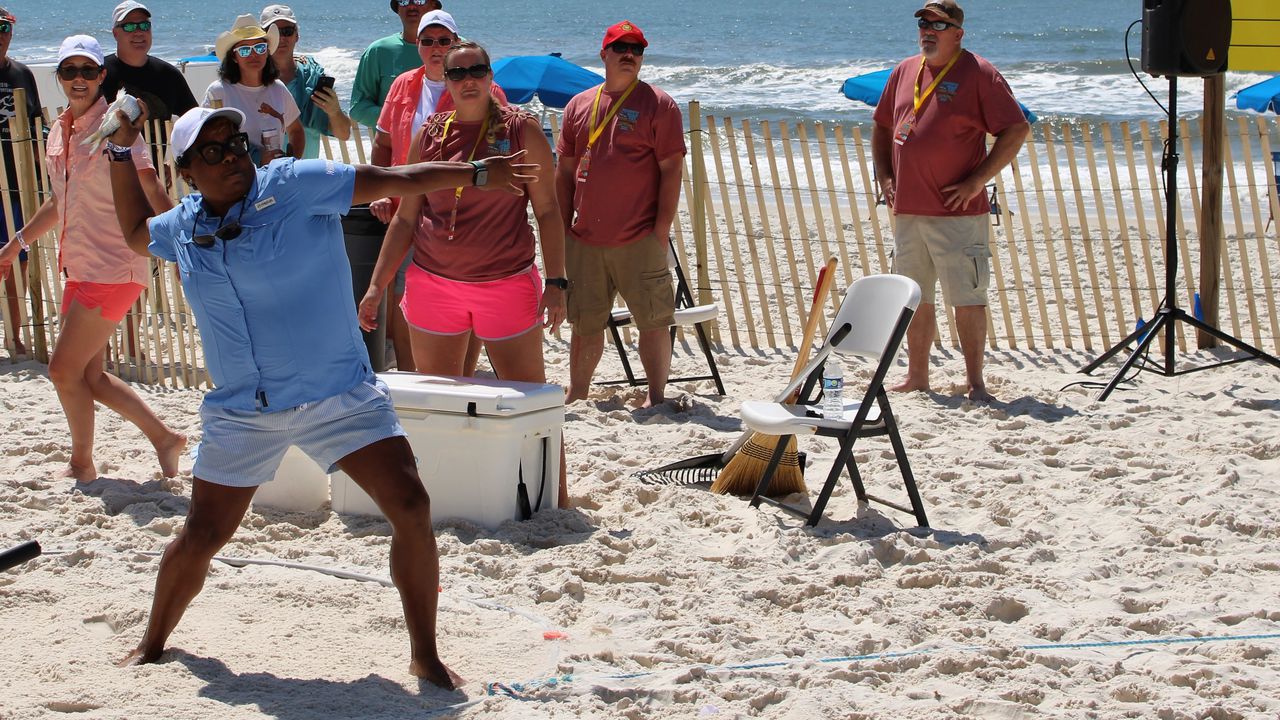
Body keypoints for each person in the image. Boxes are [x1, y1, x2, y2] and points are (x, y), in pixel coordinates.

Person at [105, 102, 533, 689]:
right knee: (203, 535)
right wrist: (117, 153)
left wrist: (477, 174)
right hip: (243, 410)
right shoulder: (183, 226)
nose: (232, 155)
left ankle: (425, 656)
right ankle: (152, 645)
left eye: (237, 143)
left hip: (338, 394)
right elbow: (133, 234)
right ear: (186, 171)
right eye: (213, 150)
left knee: (411, 507)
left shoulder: (294, 185)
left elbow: (398, 178)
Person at [358, 41, 568, 505]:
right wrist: (375, 286)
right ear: (445, 82)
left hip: (507, 283)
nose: (468, 79)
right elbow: (405, 219)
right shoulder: (430, 134)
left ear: (491, 75)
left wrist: (556, 282)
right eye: (458, 73)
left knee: (531, 402)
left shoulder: (522, 131)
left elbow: (549, 212)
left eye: (477, 70)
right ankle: (450, 497)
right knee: (442, 406)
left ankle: (556, 499)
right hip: (435, 284)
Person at [0, 35, 185, 482]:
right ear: (58, 77)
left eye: (88, 70)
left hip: (115, 264)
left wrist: (182, 243)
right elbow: (59, 201)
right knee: (91, 375)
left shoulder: (117, 125)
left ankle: (82, 462)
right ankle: (165, 438)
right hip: (79, 265)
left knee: (63, 370)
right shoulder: (60, 129)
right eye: (69, 71)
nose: (78, 79)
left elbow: (152, 186)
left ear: (102, 76)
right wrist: (15, 244)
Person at [871, 0, 1029, 403]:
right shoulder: (906, 69)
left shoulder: (980, 74)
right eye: (924, 23)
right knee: (914, 299)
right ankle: (917, 375)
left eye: (938, 25)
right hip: (907, 212)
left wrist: (977, 181)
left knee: (968, 299)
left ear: (957, 33)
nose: (928, 30)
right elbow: (882, 125)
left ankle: (975, 382)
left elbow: (1015, 129)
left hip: (958, 214)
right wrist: (886, 177)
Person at [372, 10, 509, 374]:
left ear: (456, 43)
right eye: (427, 40)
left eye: (443, 40)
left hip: (463, 212)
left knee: (468, 294)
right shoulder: (403, 84)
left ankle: (463, 370)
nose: (435, 47)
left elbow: (501, 148)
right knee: (404, 296)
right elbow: (383, 143)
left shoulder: (484, 87)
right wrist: (382, 190)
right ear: (417, 45)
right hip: (409, 206)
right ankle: (409, 370)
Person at [556, 21, 685, 409]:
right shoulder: (579, 105)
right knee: (585, 322)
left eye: (637, 49)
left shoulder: (659, 104)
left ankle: (656, 396)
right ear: (604, 54)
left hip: (639, 237)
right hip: (585, 239)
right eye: (621, 48)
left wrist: (660, 229)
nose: (629, 54)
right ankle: (578, 392)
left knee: (653, 320)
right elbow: (564, 172)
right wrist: (563, 227)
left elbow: (672, 169)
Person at [351, 0, 437, 370]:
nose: (413, 5)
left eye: (442, 40)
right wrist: (393, 114)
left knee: (449, 287)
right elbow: (358, 106)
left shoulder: (467, 61)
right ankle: (407, 369)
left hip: (454, 205)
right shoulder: (381, 54)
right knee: (401, 288)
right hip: (402, 192)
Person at [202, 14, 303, 164]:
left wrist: (291, 163)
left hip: (273, 178)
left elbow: (296, 131)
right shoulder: (218, 92)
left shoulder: (278, 89)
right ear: (234, 57)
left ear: (267, 52)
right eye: (244, 50)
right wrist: (256, 158)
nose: (254, 54)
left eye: (260, 47)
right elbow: (208, 140)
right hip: (237, 180)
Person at [260, 4, 352, 160]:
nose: (282, 38)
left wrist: (334, 111)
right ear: (264, 38)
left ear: (297, 36)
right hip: (264, 175)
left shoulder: (313, 78)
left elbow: (344, 134)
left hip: (305, 176)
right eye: (273, 32)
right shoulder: (252, 80)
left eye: (287, 32)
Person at [0, 7, 41, 356]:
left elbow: (37, 127)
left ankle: (13, 336)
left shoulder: (22, 74)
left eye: (4, 27)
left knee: (17, 260)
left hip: (15, 184)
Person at [102, 2, 198, 124]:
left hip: (162, 143)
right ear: (115, 33)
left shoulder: (169, 74)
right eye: (129, 27)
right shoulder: (99, 73)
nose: (138, 32)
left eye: (144, 25)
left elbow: (195, 121)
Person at [349, 0, 438, 129]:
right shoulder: (378, 51)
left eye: (420, 0)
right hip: (391, 147)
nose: (412, 6)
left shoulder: (458, 51)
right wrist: (401, 118)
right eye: (404, 1)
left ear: (433, 6)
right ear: (397, 8)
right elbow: (358, 108)